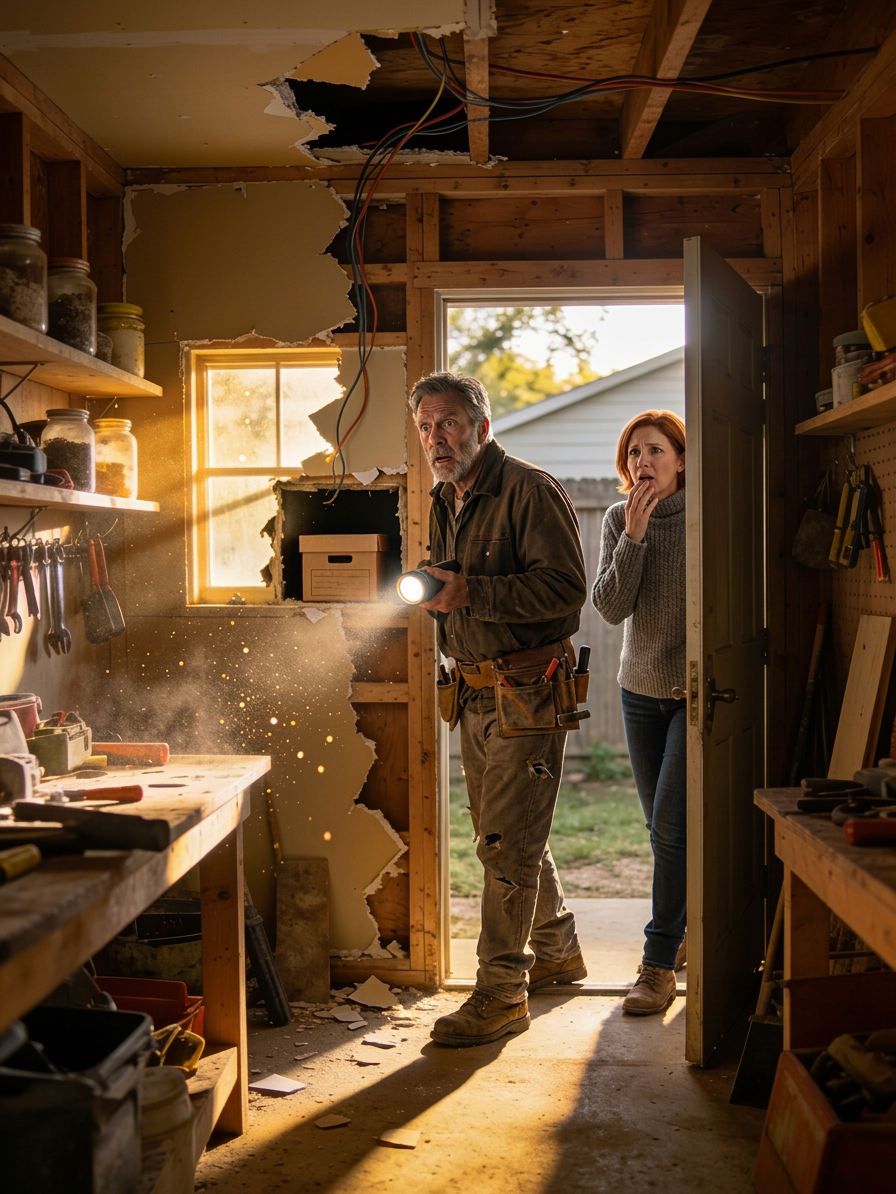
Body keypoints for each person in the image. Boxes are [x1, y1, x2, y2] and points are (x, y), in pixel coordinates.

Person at [409, 370, 588, 1047]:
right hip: (474, 689)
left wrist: (469, 595)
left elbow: (568, 592)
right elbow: (447, 581)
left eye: (449, 422)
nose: (437, 437)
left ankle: (501, 993)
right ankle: (560, 951)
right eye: (427, 426)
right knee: (504, 835)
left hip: (530, 686)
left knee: (506, 844)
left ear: (483, 427)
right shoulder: (444, 496)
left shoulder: (530, 489)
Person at [592, 409, 687, 1016]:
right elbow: (609, 607)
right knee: (659, 831)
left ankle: (656, 967)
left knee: (673, 834)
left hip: (695, 694)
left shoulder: (708, 513)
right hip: (639, 690)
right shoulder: (615, 519)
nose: (642, 463)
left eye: (654, 451)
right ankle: (682, 935)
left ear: (681, 459)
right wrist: (634, 536)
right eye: (633, 454)